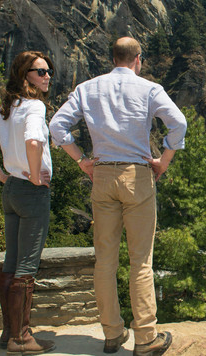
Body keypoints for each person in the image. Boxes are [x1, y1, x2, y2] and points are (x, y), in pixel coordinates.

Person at [49, 36, 186, 355]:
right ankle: (145, 338)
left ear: (114, 58)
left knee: (105, 260)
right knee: (140, 261)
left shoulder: (87, 88)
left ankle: (112, 333)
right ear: (138, 59)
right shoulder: (149, 89)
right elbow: (178, 123)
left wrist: (81, 159)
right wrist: (163, 161)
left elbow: (57, 126)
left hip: (103, 175)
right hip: (137, 176)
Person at [0, 51, 56, 355]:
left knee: (11, 261)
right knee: (26, 265)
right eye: (40, 71)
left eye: (49, 71)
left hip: (11, 190)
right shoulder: (34, 107)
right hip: (31, 193)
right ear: (25, 77)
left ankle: (8, 332)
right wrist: (35, 177)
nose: (48, 76)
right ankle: (21, 339)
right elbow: (34, 142)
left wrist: (5, 178)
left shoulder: (7, 109)